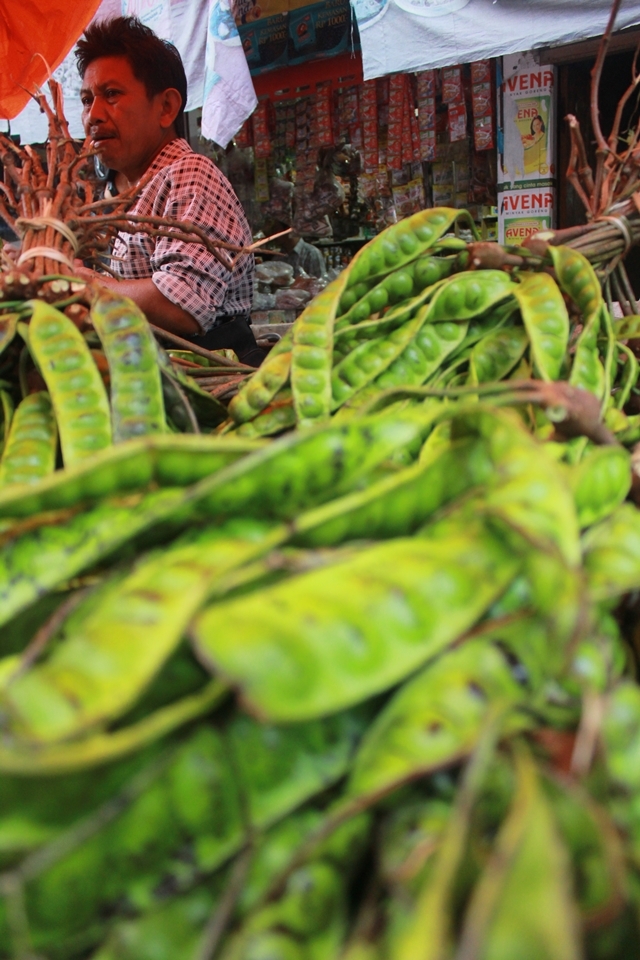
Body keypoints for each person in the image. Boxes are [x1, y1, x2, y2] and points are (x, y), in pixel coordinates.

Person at [73, 16, 265, 366]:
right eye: (87, 99)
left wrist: (82, 283)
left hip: (207, 380)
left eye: (111, 94)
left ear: (166, 107)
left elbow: (180, 306)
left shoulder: (189, 175)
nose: (93, 115)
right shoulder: (109, 194)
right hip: (143, 374)